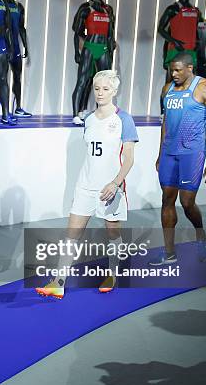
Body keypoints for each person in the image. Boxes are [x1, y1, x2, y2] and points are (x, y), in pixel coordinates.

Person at [36, 70, 138, 299]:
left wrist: (115, 183)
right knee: (72, 233)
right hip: (85, 186)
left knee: (113, 233)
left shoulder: (124, 119)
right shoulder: (89, 119)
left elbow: (129, 158)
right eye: (97, 88)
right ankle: (58, 281)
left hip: (111, 189)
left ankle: (113, 273)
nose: (100, 93)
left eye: (105, 89)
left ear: (114, 91)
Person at [152, 52, 206, 266]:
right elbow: (165, 122)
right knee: (167, 199)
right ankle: (169, 253)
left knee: (187, 203)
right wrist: (160, 152)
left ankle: (201, 236)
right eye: (171, 70)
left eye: (178, 70)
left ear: (190, 68)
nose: (173, 74)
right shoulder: (167, 90)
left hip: (192, 154)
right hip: (169, 154)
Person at [71, 0, 116, 125]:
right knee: (82, 81)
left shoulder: (108, 10)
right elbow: (77, 31)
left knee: (105, 83)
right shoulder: (86, 8)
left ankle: (101, 114)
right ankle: (75, 114)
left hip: (103, 49)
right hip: (90, 47)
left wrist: (110, 51)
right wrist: (76, 52)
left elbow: (110, 34)